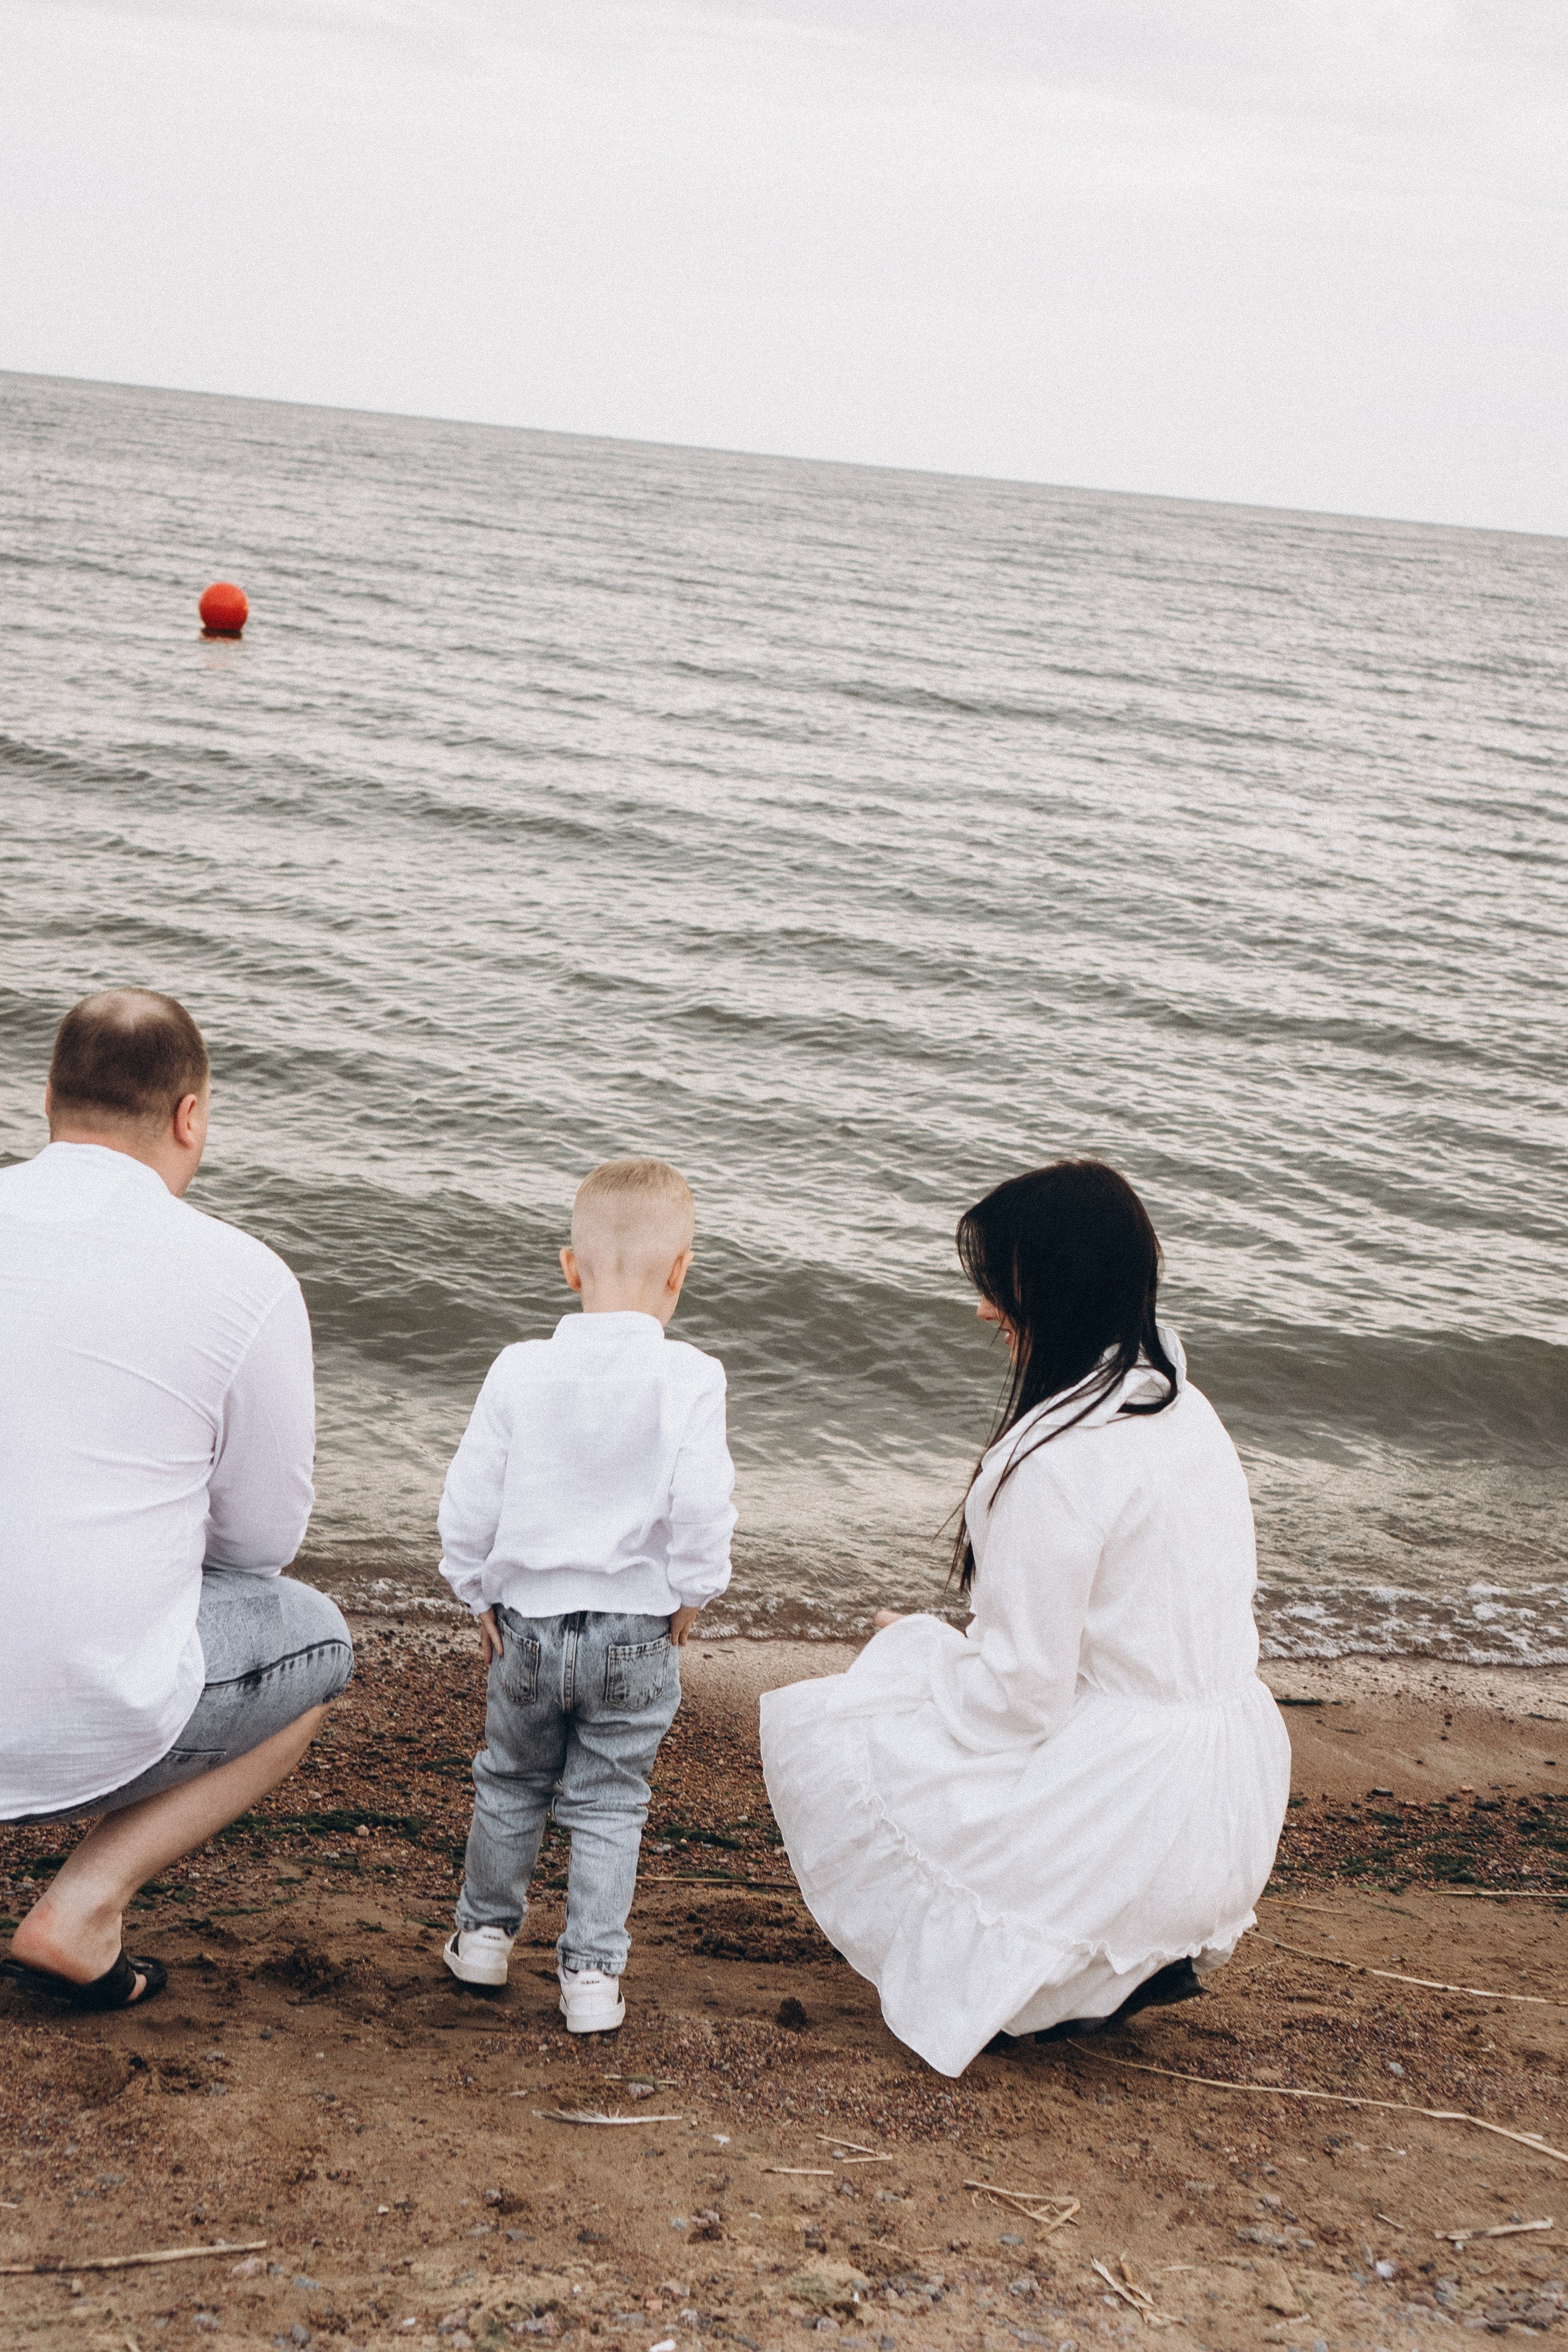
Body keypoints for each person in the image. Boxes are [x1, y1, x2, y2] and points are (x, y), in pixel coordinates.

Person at [760, 1160, 1291, 2079]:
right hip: (1225, 1810)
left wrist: (909, 1656)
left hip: (1131, 1817)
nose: (984, 1311)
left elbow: (1020, 1701)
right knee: (932, 1672)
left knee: (847, 1723)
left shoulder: (1058, 1465)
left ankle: (1058, 1966)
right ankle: (1122, 1961)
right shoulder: (1183, 1408)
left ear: (1055, 1291)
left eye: (1000, 1288)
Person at [0, 990, 351, 2012]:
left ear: (48, 1099)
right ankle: (82, 1907)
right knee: (315, 1641)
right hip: (79, 1734)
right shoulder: (245, 1277)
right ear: (190, 1116)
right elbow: (259, 1545)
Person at [436, 1156, 736, 2033]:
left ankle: (484, 1938)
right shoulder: (692, 1376)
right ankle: (593, 1979)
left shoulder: (519, 1369)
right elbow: (703, 1506)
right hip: (636, 1633)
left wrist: (473, 1590)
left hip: (526, 1628)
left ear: (570, 1267)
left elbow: (470, 1496)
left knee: (510, 1782)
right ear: (681, 1272)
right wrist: (693, 1594)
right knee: (611, 1801)